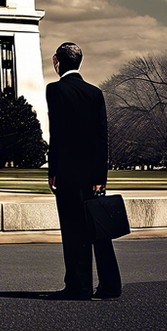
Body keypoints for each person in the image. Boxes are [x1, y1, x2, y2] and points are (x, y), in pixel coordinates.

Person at [44, 42, 121, 300]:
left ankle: (79, 286)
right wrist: (101, 177)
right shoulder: (95, 93)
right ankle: (110, 285)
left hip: (68, 172)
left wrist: (53, 170)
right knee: (99, 227)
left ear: (57, 61)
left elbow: (59, 134)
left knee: (73, 229)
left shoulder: (55, 90)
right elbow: (102, 139)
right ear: (80, 62)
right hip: (92, 175)